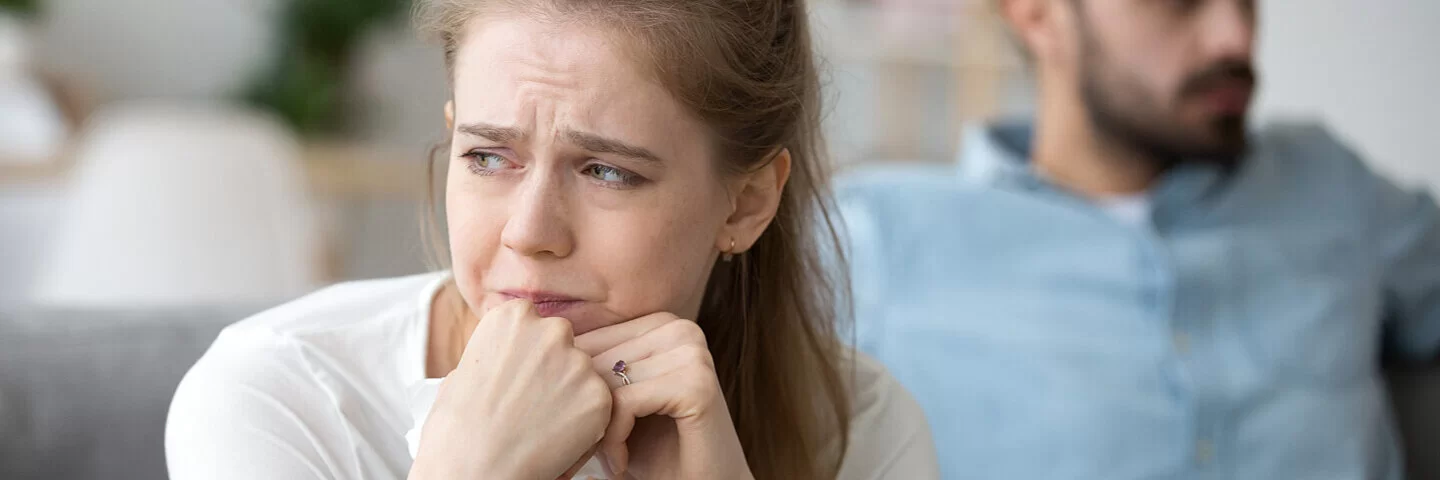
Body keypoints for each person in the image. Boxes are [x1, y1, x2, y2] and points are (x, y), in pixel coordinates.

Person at [163, 0, 939, 479]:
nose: (528, 233)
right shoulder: (279, 400)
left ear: (745, 204)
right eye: (489, 157)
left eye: (606, 172)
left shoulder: (861, 432)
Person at [836, 0, 1440, 478]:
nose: (1235, 36)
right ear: (1038, 14)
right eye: (1179, 2)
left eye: (1248, 0)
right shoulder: (877, 239)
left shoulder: (1330, 182)